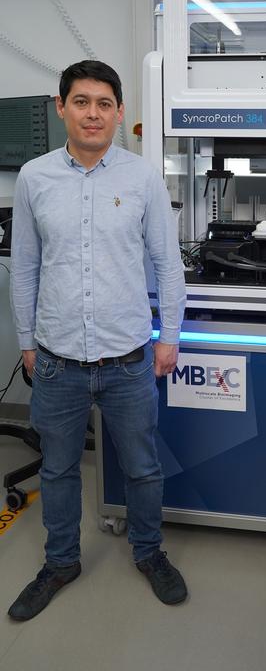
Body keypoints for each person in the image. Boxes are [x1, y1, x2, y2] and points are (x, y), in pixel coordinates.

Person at [8, 60, 187, 620]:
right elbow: (25, 267)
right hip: (57, 359)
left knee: (142, 467)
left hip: (130, 357)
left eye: (104, 104)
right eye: (81, 102)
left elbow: (167, 262)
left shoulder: (142, 178)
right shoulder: (34, 178)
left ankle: (149, 552)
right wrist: (26, 340)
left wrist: (170, 336)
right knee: (59, 470)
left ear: (118, 112)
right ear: (61, 108)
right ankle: (60, 560)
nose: (93, 113)